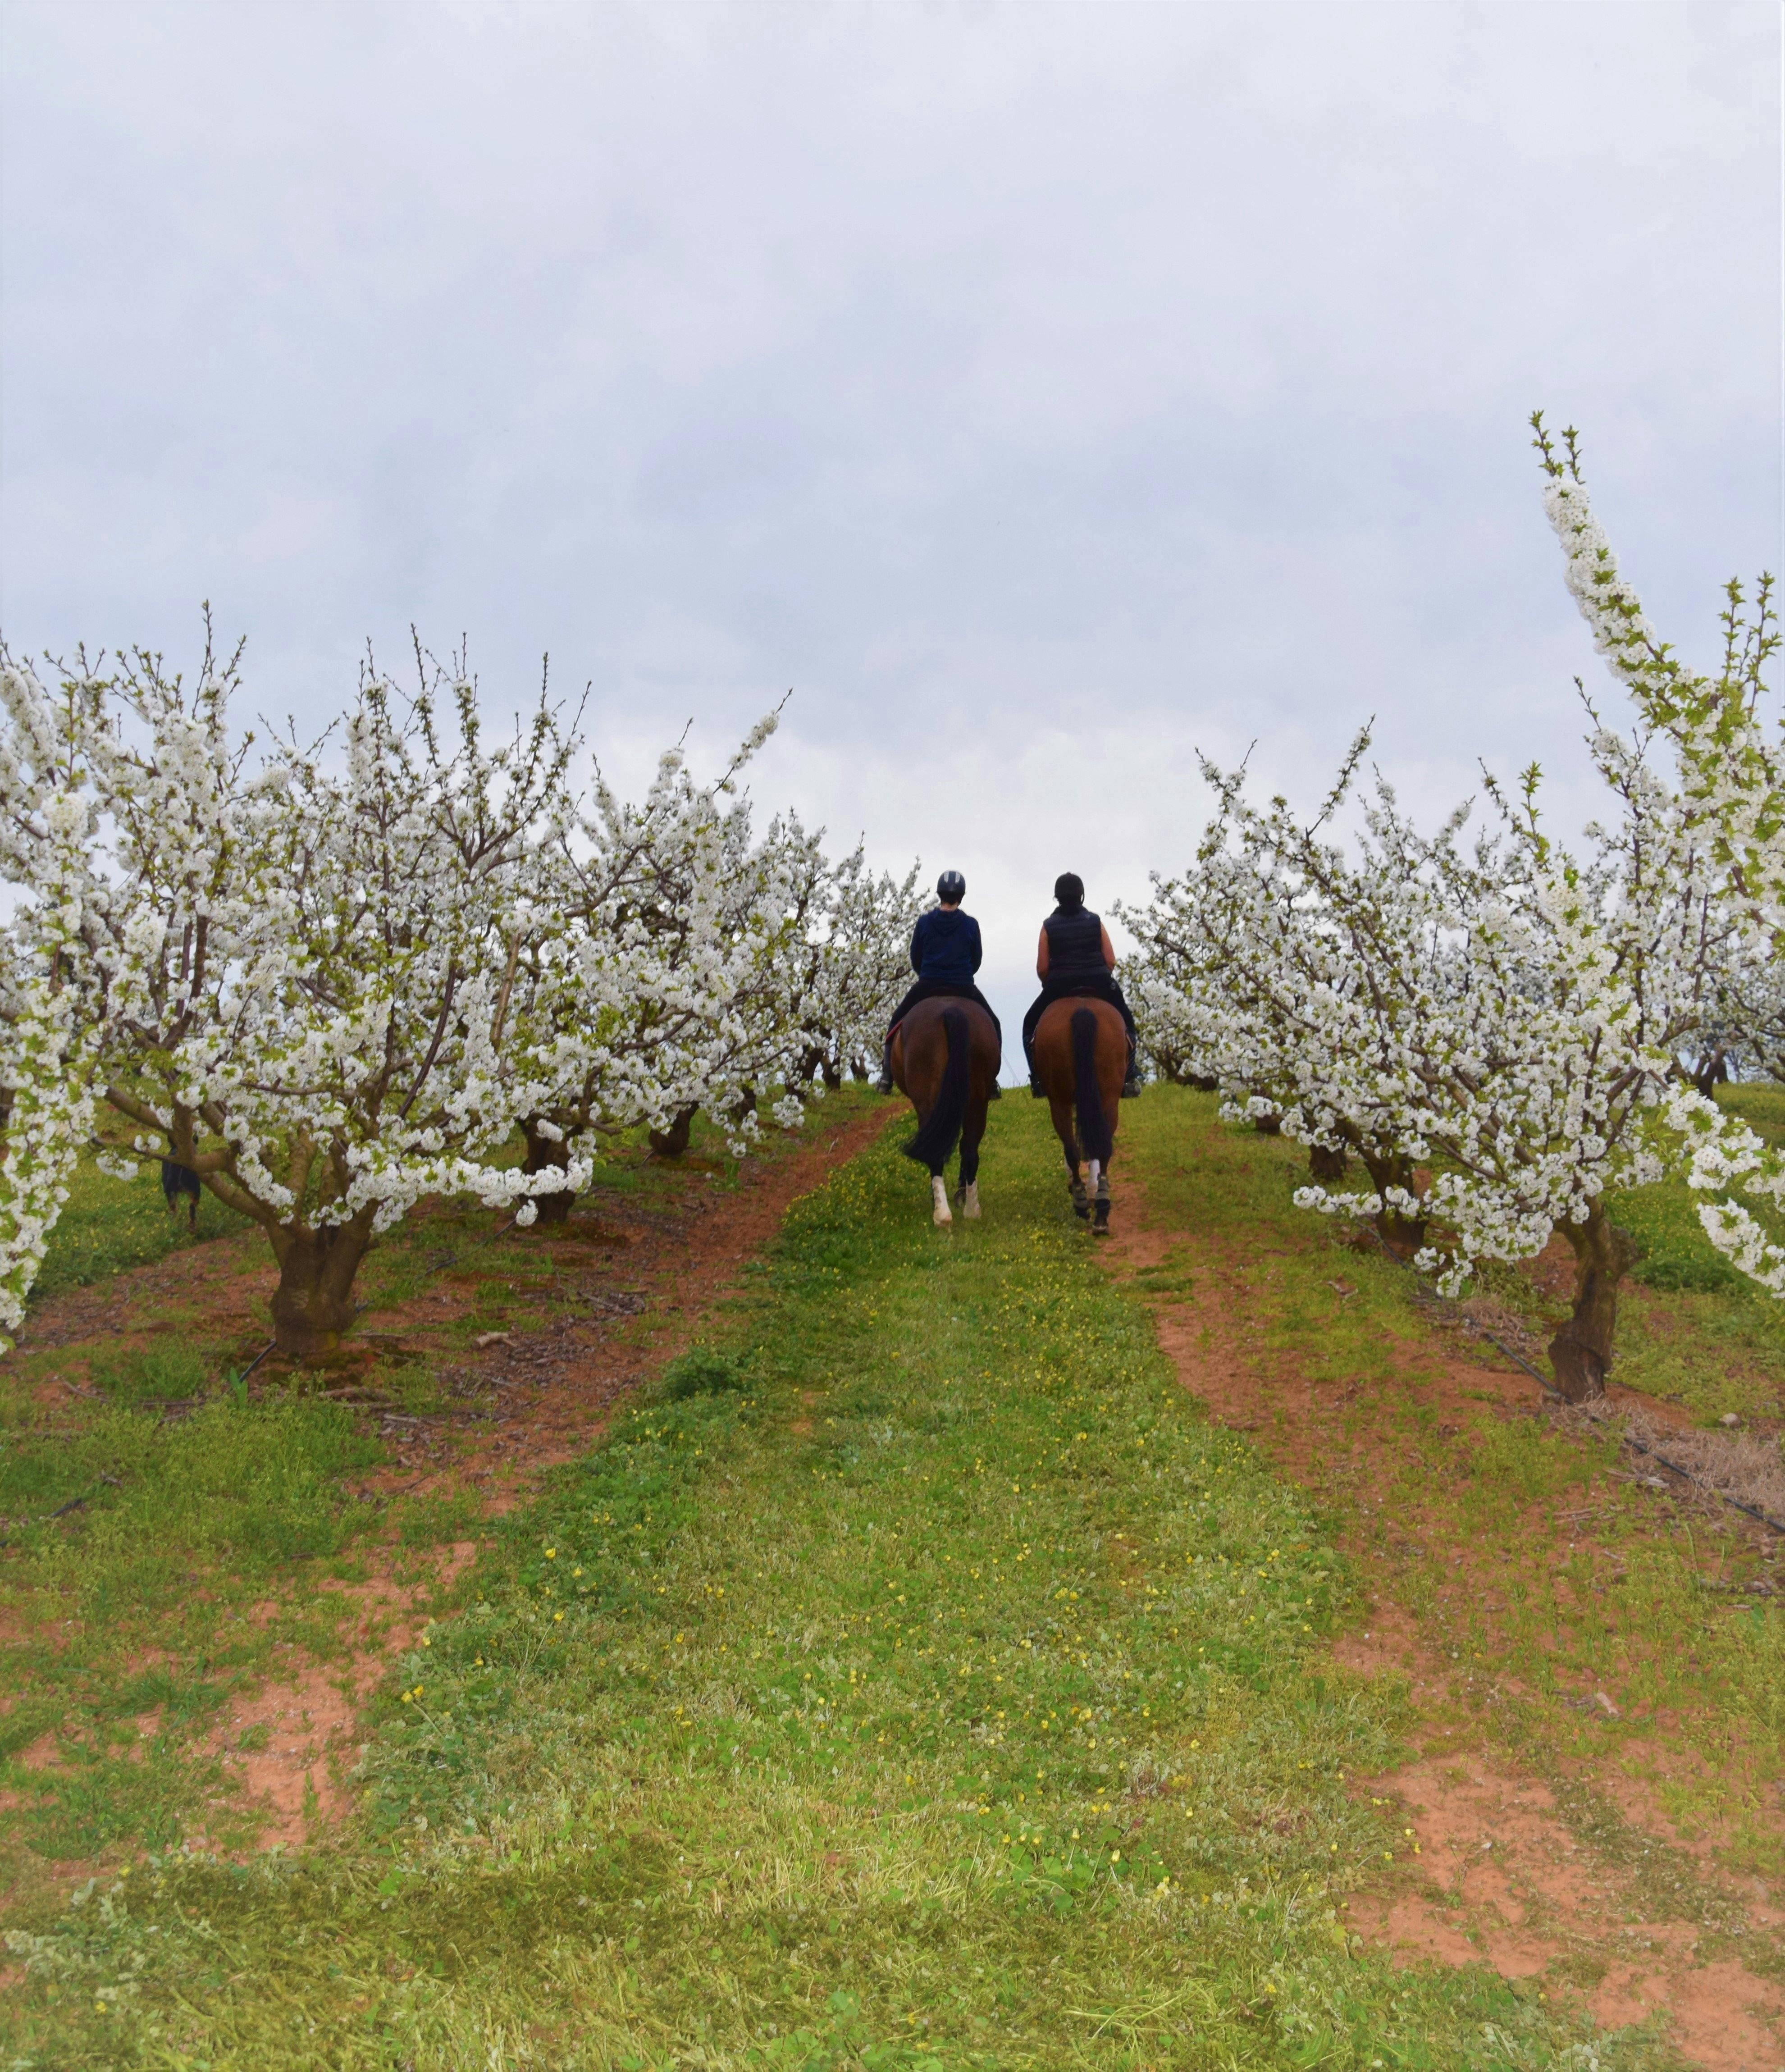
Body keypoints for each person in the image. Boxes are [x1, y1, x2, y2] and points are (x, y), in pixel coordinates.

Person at [876, 870, 1002, 1095]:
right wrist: (962, 975)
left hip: (928, 985)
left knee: (895, 1024)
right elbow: (977, 960)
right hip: (963, 986)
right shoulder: (971, 925)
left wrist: (927, 974)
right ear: (961, 897)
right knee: (994, 1024)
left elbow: (916, 957)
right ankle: (991, 1081)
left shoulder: (924, 923)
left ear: (939, 895)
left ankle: (886, 1076)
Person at [1022, 872, 1141, 1098]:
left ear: (1056, 897)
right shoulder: (1096, 922)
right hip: (1098, 981)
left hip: (1060, 985)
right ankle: (1130, 1076)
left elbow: (1042, 969)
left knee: (1029, 1026)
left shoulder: (1048, 926)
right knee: (1128, 1023)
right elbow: (1111, 960)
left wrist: (1052, 985)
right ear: (1082, 896)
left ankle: (1038, 1079)